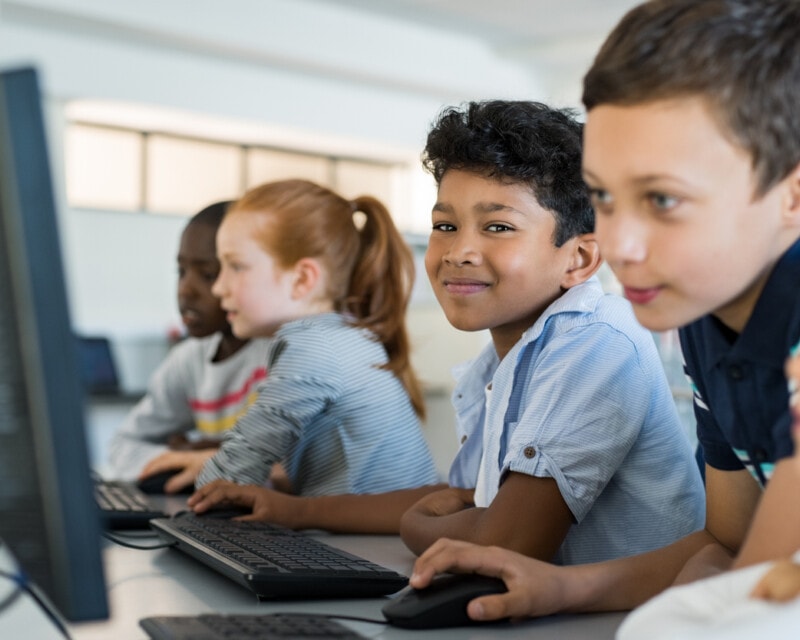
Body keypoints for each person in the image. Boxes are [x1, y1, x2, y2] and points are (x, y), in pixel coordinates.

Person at [407, 0, 800, 626]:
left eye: (663, 198)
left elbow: (764, 593)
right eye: (608, 198)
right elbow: (729, 547)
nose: (621, 245)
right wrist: (562, 589)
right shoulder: (707, 318)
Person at [188, 101, 704, 564]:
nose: (458, 251)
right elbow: (459, 499)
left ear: (580, 258)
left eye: (498, 227)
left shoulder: (595, 340)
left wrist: (418, 526)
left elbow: (505, 542)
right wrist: (291, 510)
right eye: (445, 225)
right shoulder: (499, 361)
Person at [144, 178, 439, 497]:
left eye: (235, 267)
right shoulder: (342, 335)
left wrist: (204, 483)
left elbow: (232, 475)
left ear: (301, 279)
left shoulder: (314, 349)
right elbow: (319, 468)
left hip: (370, 544)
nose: (218, 288)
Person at [107, 201, 273, 490]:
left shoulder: (281, 354)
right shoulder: (190, 360)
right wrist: (182, 458)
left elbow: (295, 469)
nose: (186, 290)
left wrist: (216, 456)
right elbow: (121, 446)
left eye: (208, 275)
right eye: (181, 271)